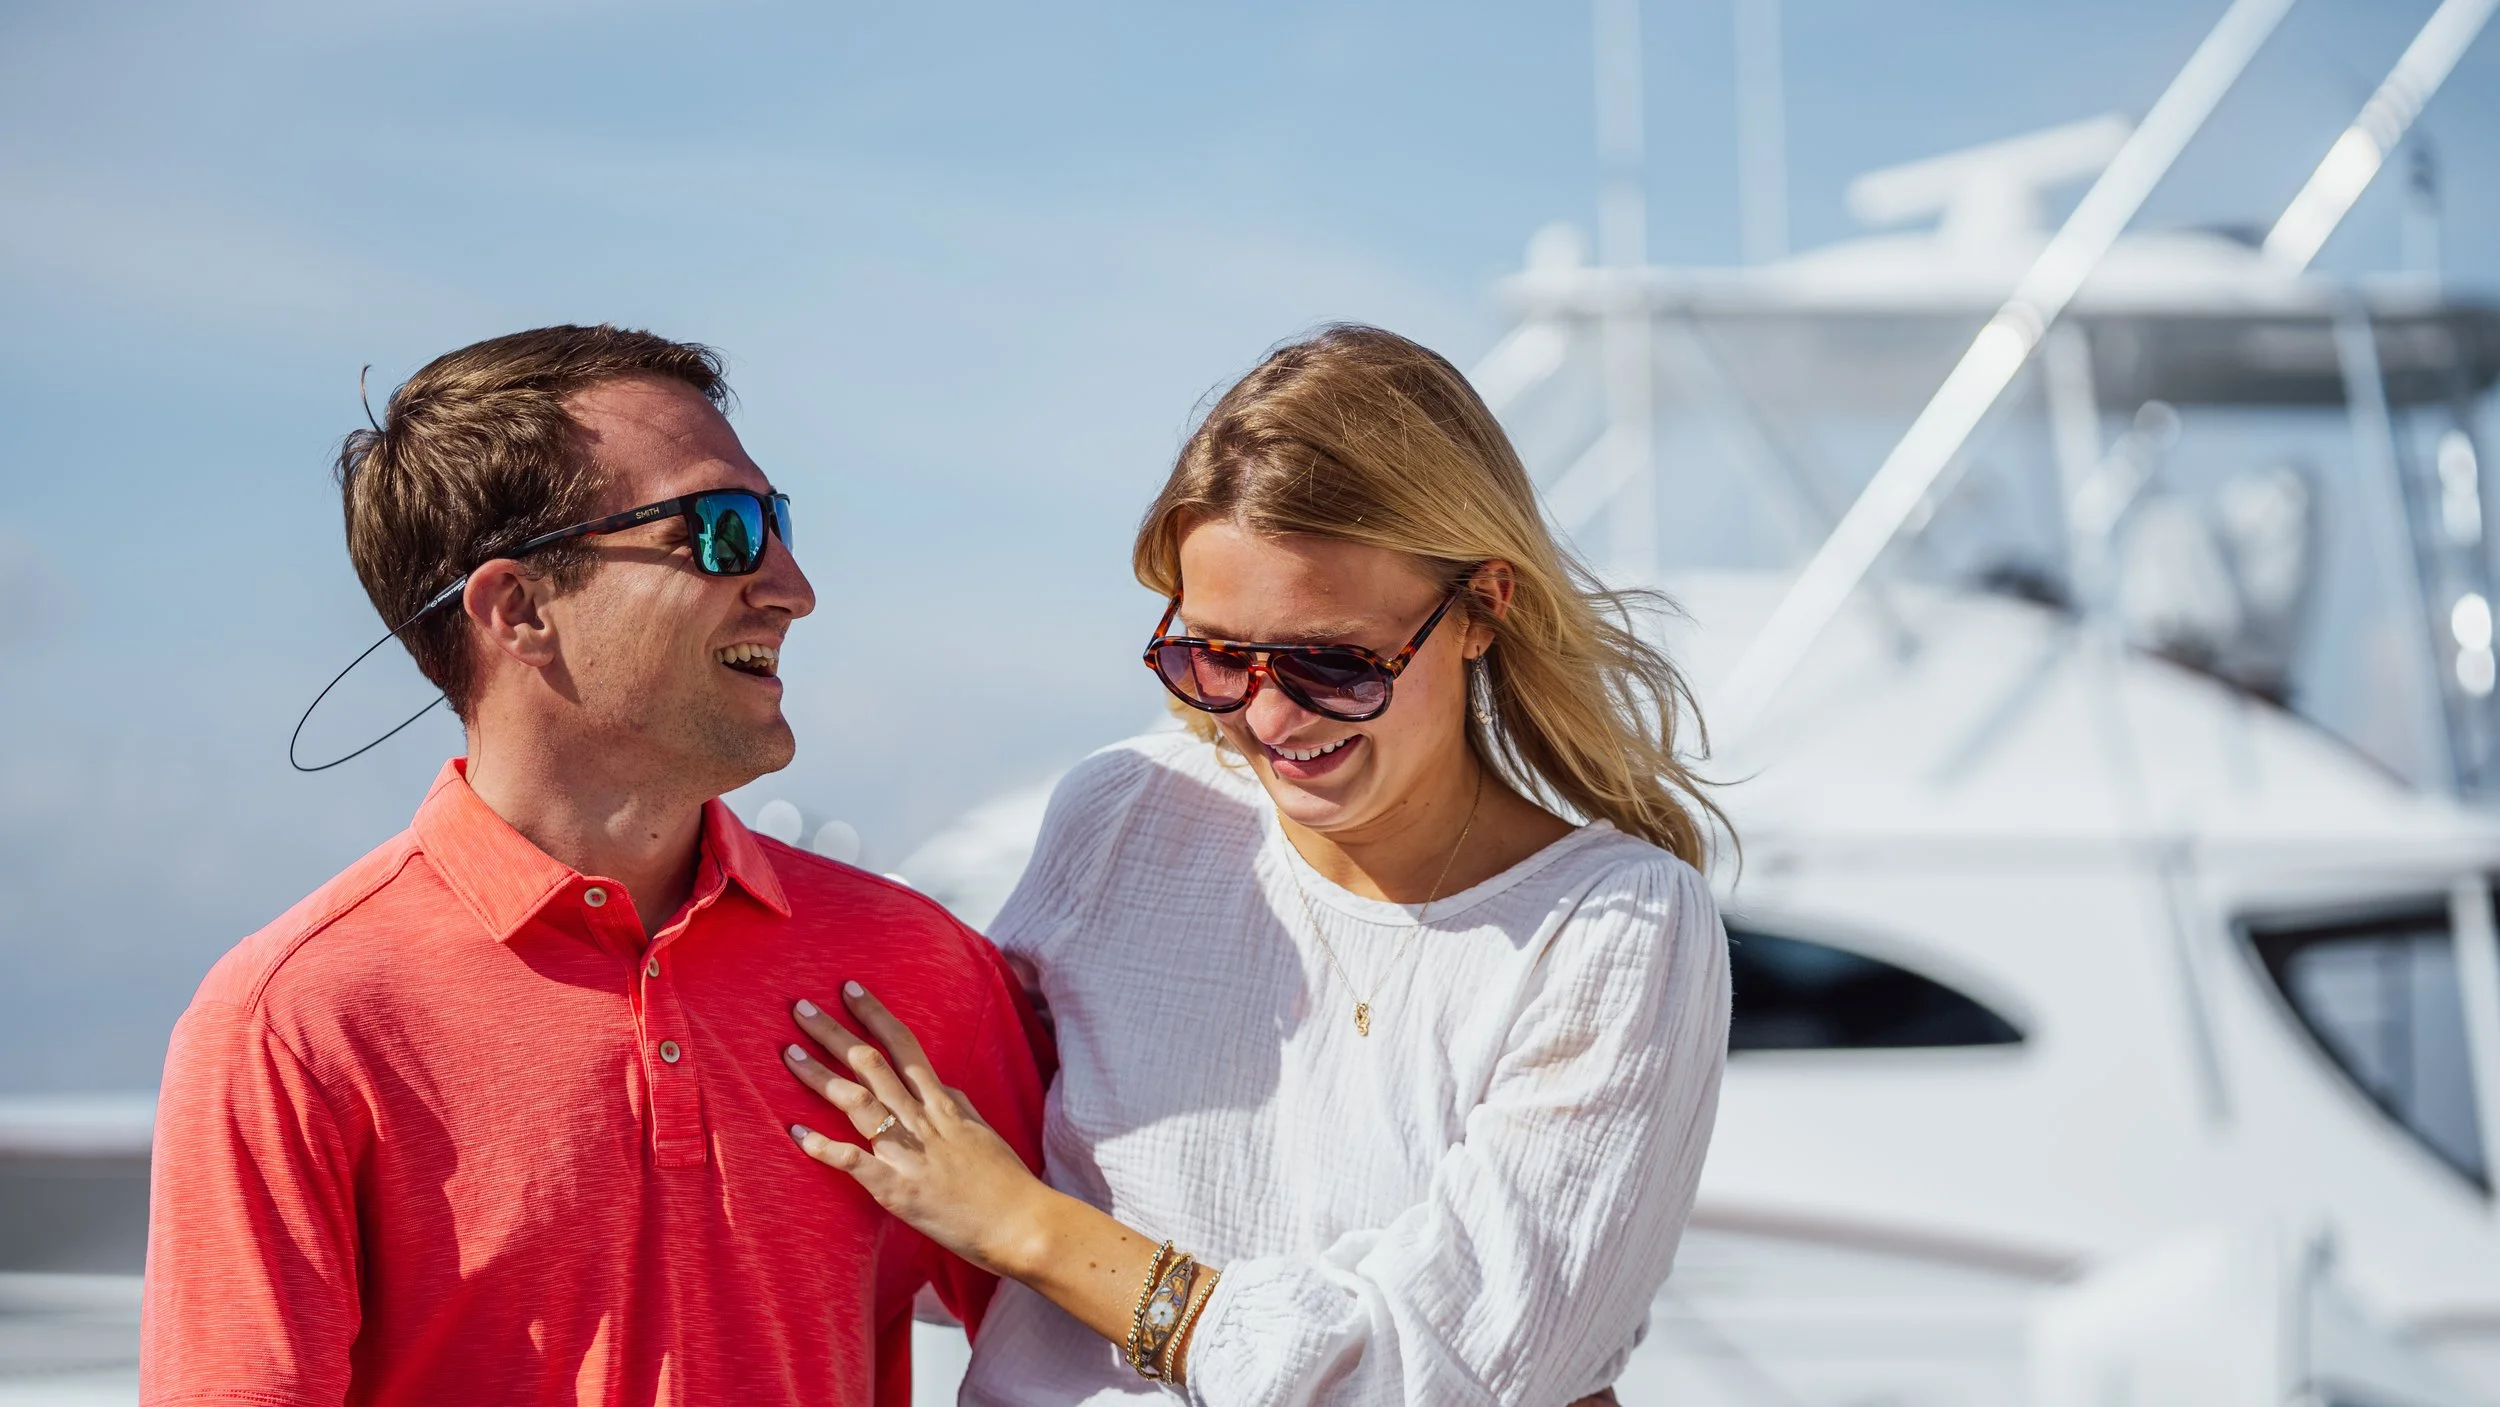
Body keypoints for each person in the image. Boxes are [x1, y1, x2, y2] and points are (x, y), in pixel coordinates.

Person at [778, 324, 1731, 1404]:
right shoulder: (1126, 816)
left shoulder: (1610, 927)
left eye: (1333, 662)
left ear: (1483, 609)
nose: (1268, 716)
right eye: (1215, 656)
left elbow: (1429, 1378)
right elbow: (935, 1196)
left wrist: (1035, 1232)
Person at [142, 325, 1047, 1405]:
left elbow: (1080, 1362)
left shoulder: (920, 969)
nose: (792, 586)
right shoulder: (295, 1023)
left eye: (778, 521)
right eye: (724, 530)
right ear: (516, 609)